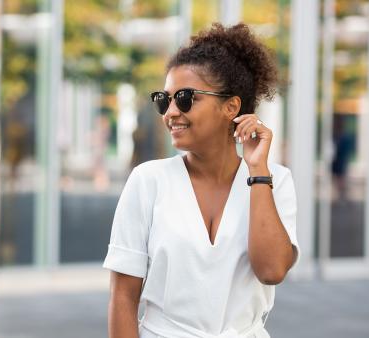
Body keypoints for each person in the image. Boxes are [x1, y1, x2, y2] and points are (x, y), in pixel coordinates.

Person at [103, 23, 300, 338]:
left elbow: (272, 270)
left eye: (184, 98)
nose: (169, 112)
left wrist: (258, 171)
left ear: (231, 106)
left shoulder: (275, 180)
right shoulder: (148, 181)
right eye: (162, 100)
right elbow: (123, 297)